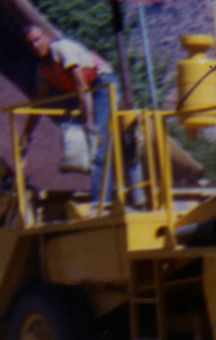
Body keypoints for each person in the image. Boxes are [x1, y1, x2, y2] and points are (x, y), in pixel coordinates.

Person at [23, 25, 139, 207]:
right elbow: (38, 103)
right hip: (89, 90)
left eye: (38, 40)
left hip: (102, 84)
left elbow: (81, 87)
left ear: (46, 37)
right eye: (31, 44)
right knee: (97, 143)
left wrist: (90, 124)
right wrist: (26, 134)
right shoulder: (44, 68)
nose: (36, 46)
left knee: (98, 144)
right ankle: (115, 197)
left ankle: (101, 204)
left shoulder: (62, 49)